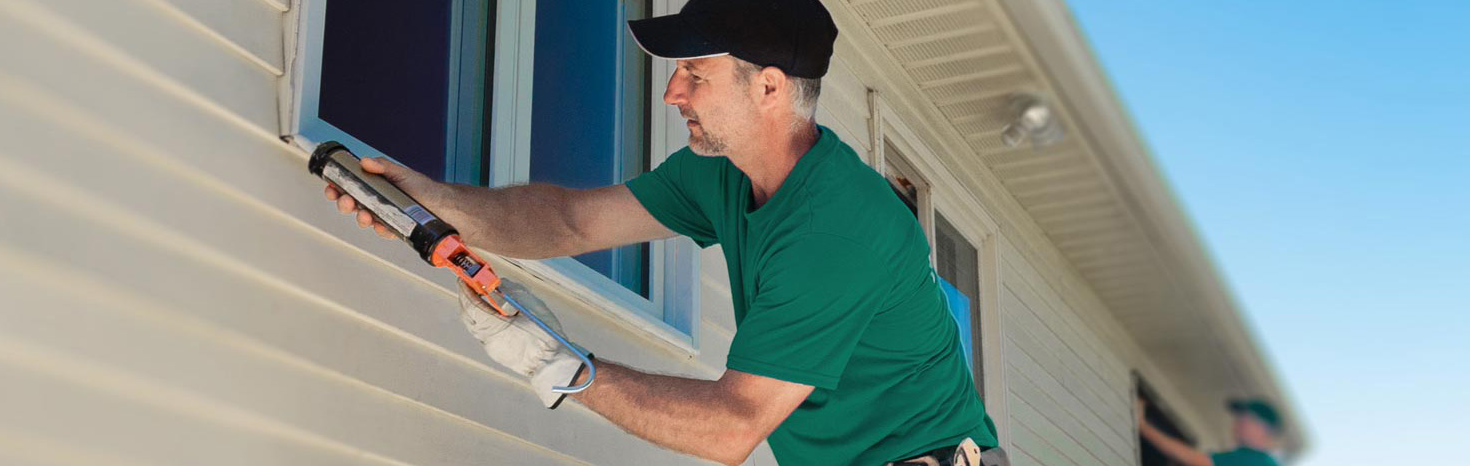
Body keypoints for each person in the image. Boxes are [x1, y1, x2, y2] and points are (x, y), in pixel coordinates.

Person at [321, 0, 998, 464]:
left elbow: (732, 425)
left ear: (767, 89)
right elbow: (568, 219)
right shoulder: (723, 176)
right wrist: (434, 199)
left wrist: (561, 365)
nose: (672, 93)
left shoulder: (840, 229)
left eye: (694, 74)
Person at [1137, 397, 1284, 466]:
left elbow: (1198, 461)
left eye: (1244, 420)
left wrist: (1143, 427)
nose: (1237, 424)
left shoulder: (1252, 459)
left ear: (1262, 428)